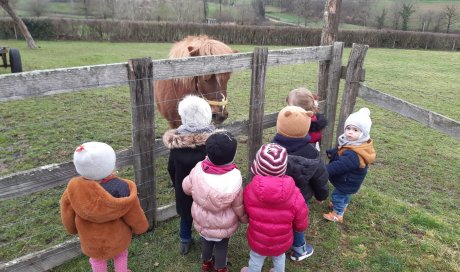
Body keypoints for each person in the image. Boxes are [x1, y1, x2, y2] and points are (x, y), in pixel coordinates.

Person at [60, 141, 149, 272]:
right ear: (109, 166)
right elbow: (133, 213)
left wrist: (72, 228)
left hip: (91, 239)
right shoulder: (121, 187)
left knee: (97, 259)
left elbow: (67, 212)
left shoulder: (74, 190)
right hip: (117, 236)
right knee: (121, 254)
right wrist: (140, 227)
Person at [182, 131, 247, 272]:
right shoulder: (235, 177)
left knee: (205, 242)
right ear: (233, 156)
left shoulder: (198, 168)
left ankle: (206, 263)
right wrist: (243, 218)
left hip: (202, 220)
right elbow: (238, 204)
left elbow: (186, 187)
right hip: (223, 224)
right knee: (222, 246)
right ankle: (220, 268)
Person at [272, 105, 329, 261]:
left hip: (278, 197)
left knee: (279, 220)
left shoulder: (272, 149)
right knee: (298, 223)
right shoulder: (312, 153)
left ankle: (277, 244)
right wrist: (321, 194)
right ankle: (299, 249)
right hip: (302, 199)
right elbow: (320, 177)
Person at [241, 143, 308, 272]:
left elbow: (246, 210)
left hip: (258, 237)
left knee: (256, 258)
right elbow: (302, 215)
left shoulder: (250, 189)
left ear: (258, 167)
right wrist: (299, 227)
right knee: (279, 257)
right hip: (282, 239)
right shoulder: (294, 192)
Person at [162, 95, 216, 255]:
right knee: (205, 216)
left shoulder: (176, 146)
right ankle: (206, 241)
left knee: (186, 215)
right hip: (207, 192)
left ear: (183, 117)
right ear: (207, 117)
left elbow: (171, 168)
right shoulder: (212, 144)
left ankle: (184, 241)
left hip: (184, 190)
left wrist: (177, 183)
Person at [323, 107, 376, 223]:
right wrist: (333, 152)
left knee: (338, 195)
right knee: (345, 195)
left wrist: (324, 170)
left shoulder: (354, 153)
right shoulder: (354, 143)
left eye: (355, 130)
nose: (350, 132)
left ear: (363, 133)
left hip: (347, 181)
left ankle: (337, 214)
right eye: (348, 128)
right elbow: (340, 150)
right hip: (351, 180)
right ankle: (343, 205)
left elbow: (341, 165)